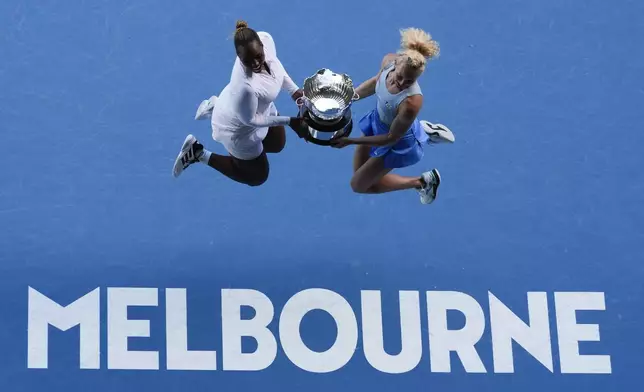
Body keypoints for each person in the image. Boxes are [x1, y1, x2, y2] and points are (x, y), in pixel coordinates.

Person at [172, 20, 307, 186]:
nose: (256, 64)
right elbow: (252, 121)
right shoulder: (246, 87)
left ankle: (218, 106)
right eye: (248, 61)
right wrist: (290, 121)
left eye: (258, 56)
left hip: (253, 107)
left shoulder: (266, 38)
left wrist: (294, 92)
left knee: (277, 144)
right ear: (239, 57)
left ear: (262, 45)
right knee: (257, 176)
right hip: (239, 127)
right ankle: (197, 152)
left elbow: (275, 64)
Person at [329, 27, 454, 204]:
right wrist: (347, 99)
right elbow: (375, 82)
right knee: (359, 173)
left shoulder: (411, 103)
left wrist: (350, 141)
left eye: (410, 81)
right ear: (395, 64)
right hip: (379, 122)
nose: (403, 83)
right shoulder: (388, 61)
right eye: (401, 77)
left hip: (395, 141)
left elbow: (390, 138)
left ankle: (423, 181)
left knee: (358, 185)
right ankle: (422, 131)